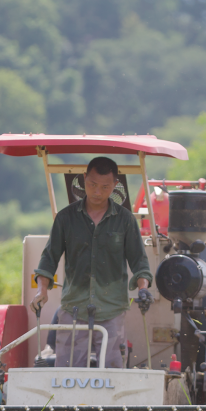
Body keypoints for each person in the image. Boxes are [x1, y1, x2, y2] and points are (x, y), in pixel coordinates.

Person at [31, 156, 153, 368]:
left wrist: (143, 289)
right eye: (92, 184)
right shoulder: (65, 218)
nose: (97, 192)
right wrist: (42, 290)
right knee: (68, 371)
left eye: (105, 187)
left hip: (112, 310)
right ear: (84, 179)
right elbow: (48, 258)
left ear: (115, 185)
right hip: (73, 309)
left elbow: (140, 262)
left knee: (112, 373)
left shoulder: (125, 220)